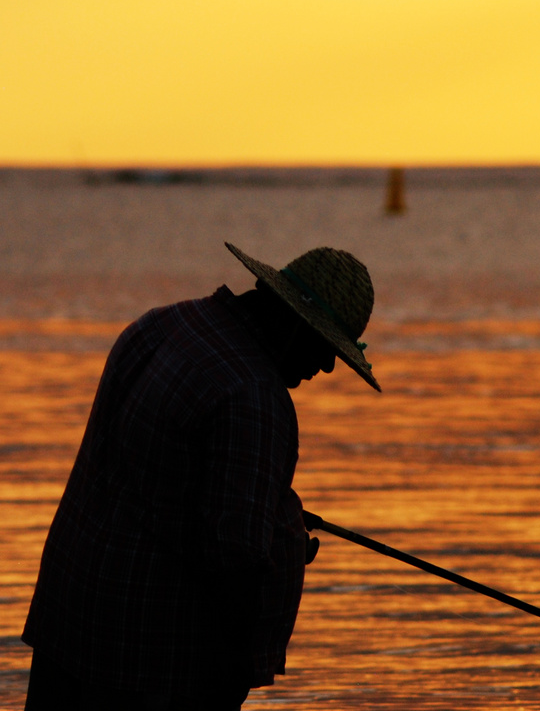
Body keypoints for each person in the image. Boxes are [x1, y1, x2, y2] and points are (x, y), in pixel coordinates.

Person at [21, 242, 381, 710]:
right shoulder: (256, 397)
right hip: (151, 665)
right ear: (295, 326)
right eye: (325, 347)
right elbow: (237, 561)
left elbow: (151, 478)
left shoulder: (164, 323)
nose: (328, 366)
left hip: (67, 624)